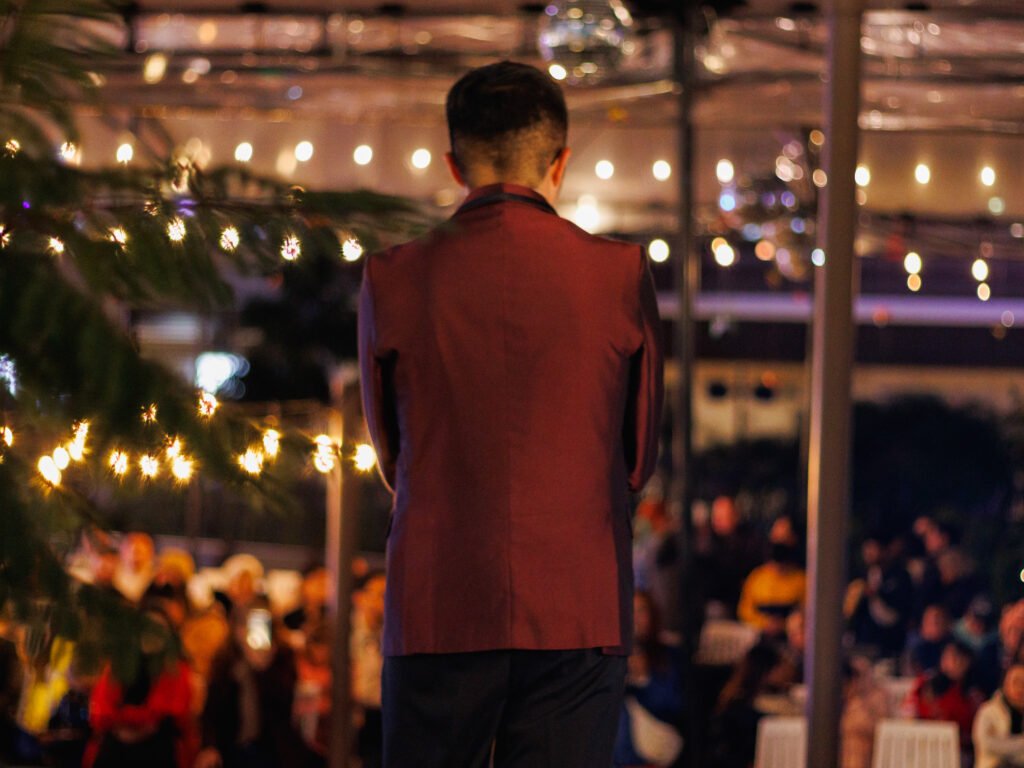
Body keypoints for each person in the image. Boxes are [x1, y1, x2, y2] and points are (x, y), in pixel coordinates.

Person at [358, 60, 663, 768]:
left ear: (453, 165)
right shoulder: (619, 273)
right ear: (560, 161)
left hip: (438, 594)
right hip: (577, 598)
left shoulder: (391, 276)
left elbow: (392, 458)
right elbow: (637, 456)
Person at [973, 663, 1024, 768]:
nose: (1020, 688)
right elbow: (986, 744)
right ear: (1005, 684)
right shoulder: (988, 711)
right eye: (1016, 682)